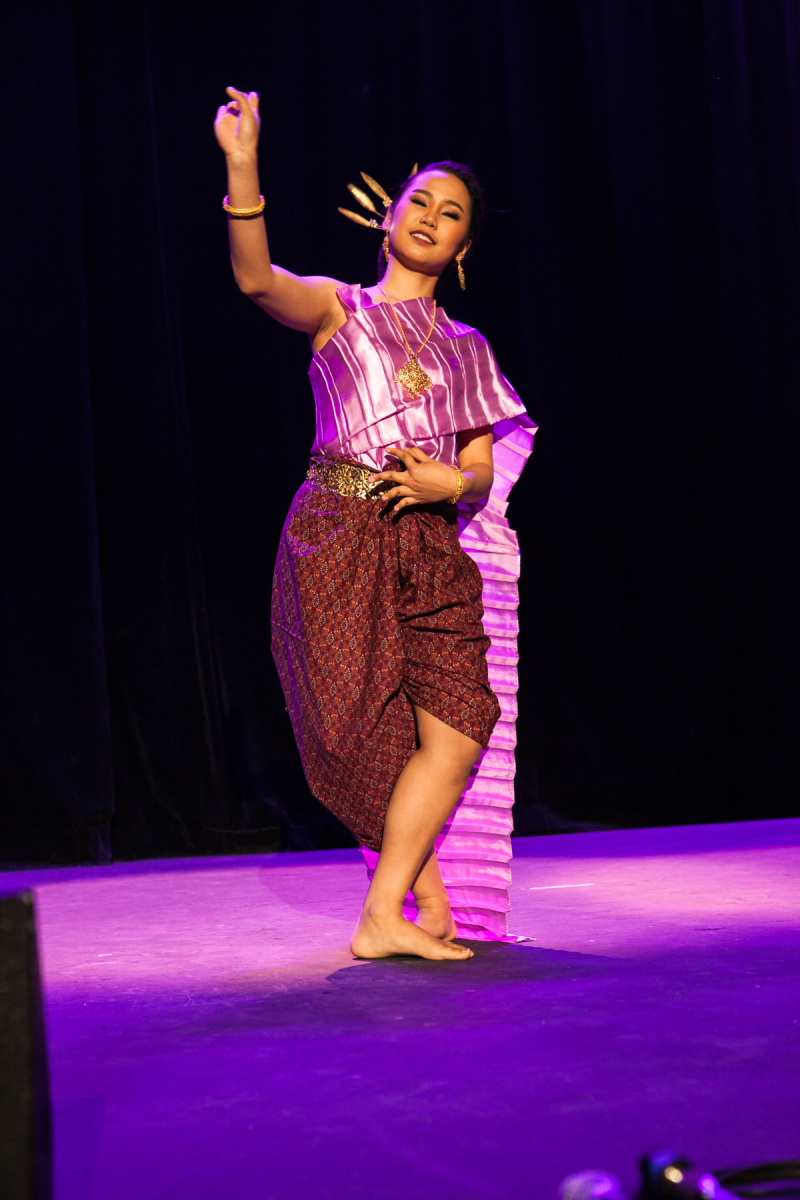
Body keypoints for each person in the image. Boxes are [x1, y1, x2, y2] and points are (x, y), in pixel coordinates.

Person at [215, 87, 535, 961]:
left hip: (429, 540)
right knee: (360, 722)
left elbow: (476, 464)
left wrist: (452, 481)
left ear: (465, 247)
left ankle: (387, 912)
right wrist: (244, 165)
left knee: (463, 714)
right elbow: (253, 278)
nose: (432, 217)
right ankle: (404, 901)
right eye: (420, 201)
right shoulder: (337, 309)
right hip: (338, 525)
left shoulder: (468, 349)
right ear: (388, 215)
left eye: (453, 214)